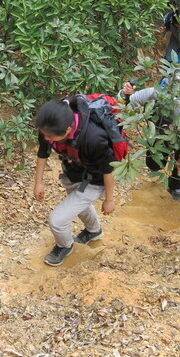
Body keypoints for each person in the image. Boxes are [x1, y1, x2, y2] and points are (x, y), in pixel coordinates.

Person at [32, 97, 118, 267]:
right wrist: (38, 182)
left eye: (51, 136)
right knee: (79, 205)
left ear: (68, 129)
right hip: (74, 171)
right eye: (44, 135)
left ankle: (65, 246)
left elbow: (108, 171)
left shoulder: (94, 138)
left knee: (57, 220)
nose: (47, 138)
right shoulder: (49, 128)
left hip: (96, 180)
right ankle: (94, 231)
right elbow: (43, 153)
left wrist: (109, 200)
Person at [120, 76, 180, 202]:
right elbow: (127, 104)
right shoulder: (151, 93)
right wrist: (125, 94)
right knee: (153, 163)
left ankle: (176, 186)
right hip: (158, 132)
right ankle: (156, 167)